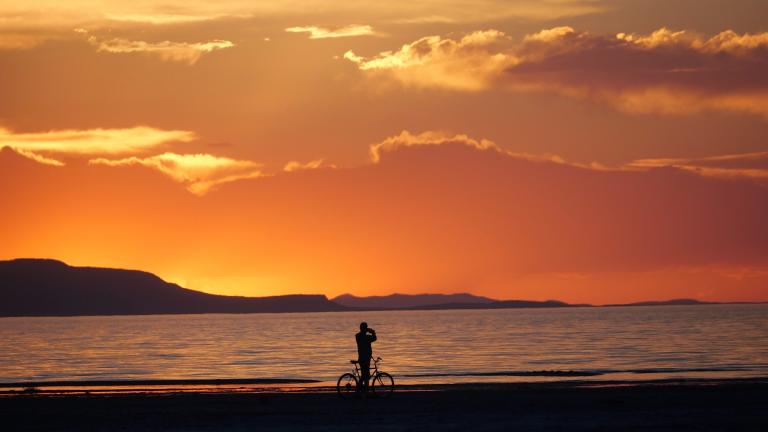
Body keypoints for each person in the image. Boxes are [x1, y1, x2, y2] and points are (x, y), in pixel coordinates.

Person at [355, 322, 377, 392]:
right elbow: (375, 338)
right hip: (366, 358)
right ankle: (365, 391)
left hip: (361, 357)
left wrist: (367, 331)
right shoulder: (367, 337)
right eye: (366, 328)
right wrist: (372, 332)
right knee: (366, 375)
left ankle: (360, 389)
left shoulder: (357, 336)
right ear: (365, 328)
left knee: (364, 374)